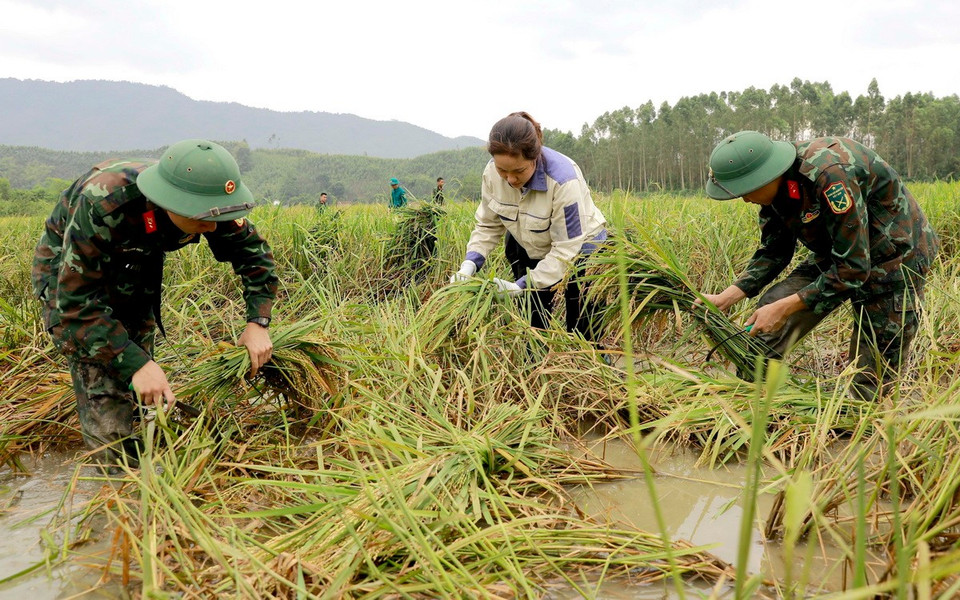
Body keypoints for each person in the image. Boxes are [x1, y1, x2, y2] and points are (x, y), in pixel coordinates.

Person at [32, 139, 278, 469]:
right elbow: (76, 303)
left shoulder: (212, 203)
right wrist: (133, 363)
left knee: (141, 371)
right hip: (71, 276)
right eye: (202, 217)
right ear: (169, 202)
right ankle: (114, 476)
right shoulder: (103, 204)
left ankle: (143, 433)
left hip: (136, 263)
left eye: (217, 215)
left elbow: (254, 257)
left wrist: (258, 323)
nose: (212, 227)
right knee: (106, 376)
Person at [700, 130, 939, 400]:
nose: (745, 199)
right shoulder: (773, 189)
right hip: (839, 250)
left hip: (894, 257)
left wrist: (786, 307)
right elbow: (775, 250)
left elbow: (853, 269)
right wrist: (728, 295)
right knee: (771, 307)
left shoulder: (831, 176)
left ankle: (863, 416)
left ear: (766, 175)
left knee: (871, 370)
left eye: (747, 190)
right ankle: (753, 398)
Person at [449, 111, 608, 340]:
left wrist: (521, 285)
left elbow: (566, 249)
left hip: (581, 248)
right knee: (532, 316)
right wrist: (469, 264)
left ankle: (590, 355)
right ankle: (535, 355)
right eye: (503, 170)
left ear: (535, 158)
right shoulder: (491, 173)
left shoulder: (563, 180)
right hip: (530, 241)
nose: (510, 179)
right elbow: (488, 224)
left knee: (582, 323)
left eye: (519, 171)